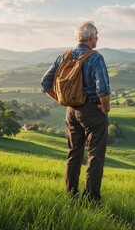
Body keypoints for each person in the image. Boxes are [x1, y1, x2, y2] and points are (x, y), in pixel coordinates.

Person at [41, 21, 111, 202]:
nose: (97, 38)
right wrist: (106, 107)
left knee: (74, 153)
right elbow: (102, 88)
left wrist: (62, 100)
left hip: (71, 111)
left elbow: (45, 83)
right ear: (90, 37)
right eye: (96, 35)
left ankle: (71, 195)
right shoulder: (96, 57)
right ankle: (91, 199)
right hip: (92, 111)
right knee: (95, 155)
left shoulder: (64, 56)